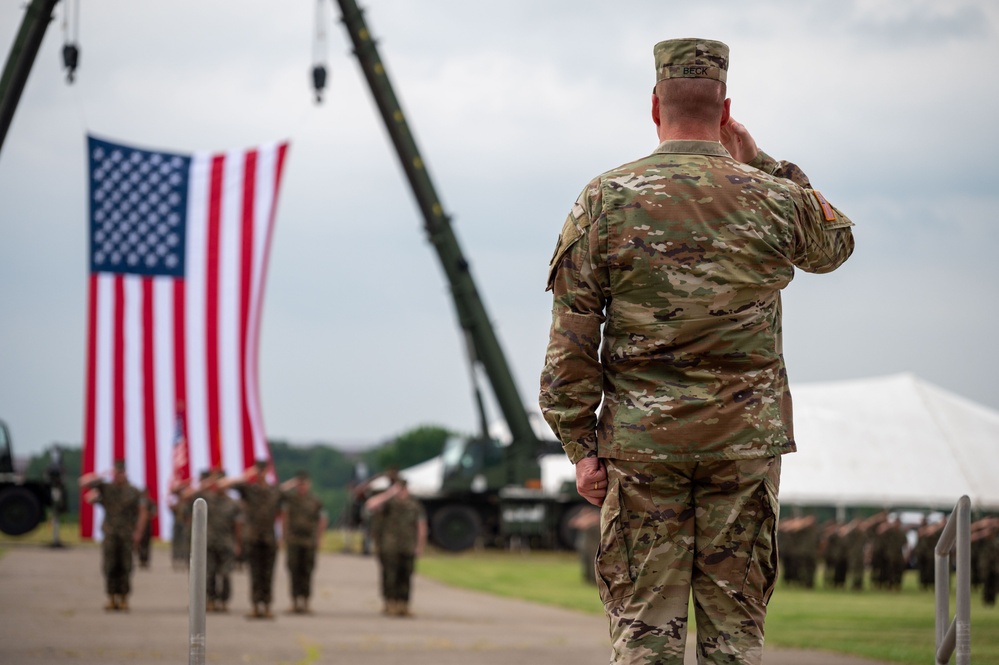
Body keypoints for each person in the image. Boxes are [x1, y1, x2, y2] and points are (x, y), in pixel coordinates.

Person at [539, 38, 855, 664]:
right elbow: (836, 243)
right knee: (734, 639)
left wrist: (580, 447)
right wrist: (762, 160)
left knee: (643, 636)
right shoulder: (771, 196)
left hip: (640, 447)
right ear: (726, 108)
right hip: (742, 450)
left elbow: (572, 339)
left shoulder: (605, 198)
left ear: (655, 107)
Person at [79, 460, 149, 611]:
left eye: (121, 472)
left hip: (127, 535)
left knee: (125, 566)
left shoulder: (134, 491)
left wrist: (138, 533)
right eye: (116, 472)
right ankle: (111, 598)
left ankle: (124, 599)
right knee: (109, 566)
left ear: (125, 473)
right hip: (110, 534)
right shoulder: (106, 488)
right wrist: (101, 475)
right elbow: (83, 482)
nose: (119, 476)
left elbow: (143, 512)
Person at [220, 460, 283, 619]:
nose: (261, 473)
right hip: (253, 538)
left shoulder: (275, 491)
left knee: (268, 574)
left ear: (268, 471)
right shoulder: (248, 490)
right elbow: (222, 485)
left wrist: (282, 537)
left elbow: (283, 511)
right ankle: (255, 606)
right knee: (254, 574)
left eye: (263, 469)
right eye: (258, 470)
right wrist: (246, 475)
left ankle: (267, 606)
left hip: (269, 539)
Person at [364, 478, 427, 617]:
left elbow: (421, 527)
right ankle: (390, 603)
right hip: (390, 546)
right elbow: (370, 505)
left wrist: (420, 546)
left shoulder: (414, 505)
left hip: (408, 546)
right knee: (389, 576)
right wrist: (389, 494)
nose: (402, 492)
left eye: (403, 488)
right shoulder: (388, 504)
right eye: (399, 488)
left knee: (406, 576)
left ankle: (403, 605)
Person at [280, 470, 328, 614]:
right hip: (294, 540)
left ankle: (306, 602)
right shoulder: (290, 499)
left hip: (309, 541)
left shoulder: (315, 500)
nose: (302, 486)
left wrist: (319, 538)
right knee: (293, 571)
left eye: (304, 483)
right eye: (299, 483)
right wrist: (284, 536)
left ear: (309, 484)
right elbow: (277, 494)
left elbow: (322, 519)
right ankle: (294, 602)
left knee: (307, 571)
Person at [198, 468, 242, 612]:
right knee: (209, 573)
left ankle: (223, 601)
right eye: (218, 482)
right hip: (209, 542)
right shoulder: (206, 499)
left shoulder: (233, 503)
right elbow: (185, 497)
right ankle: (210, 600)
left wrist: (238, 543)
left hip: (226, 543)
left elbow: (238, 525)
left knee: (225, 574)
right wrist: (207, 483)